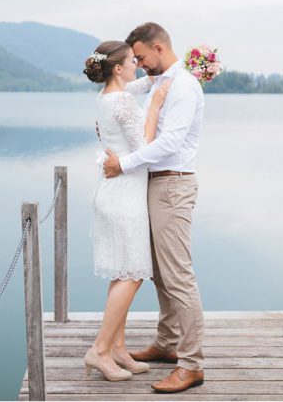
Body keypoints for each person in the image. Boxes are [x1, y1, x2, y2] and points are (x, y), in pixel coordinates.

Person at [103, 22, 206, 393]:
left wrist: (123, 164)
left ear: (159, 48)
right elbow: (121, 87)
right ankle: (167, 344)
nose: (140, 64)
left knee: (178, 275)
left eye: (142, 57)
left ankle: (191, 364)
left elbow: (168, 142)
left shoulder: (183, 87)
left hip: (173, 184)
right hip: (156, 184)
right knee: (161, 273)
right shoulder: (162, 81)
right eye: (135, 60)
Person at [82, 40, 171, 382]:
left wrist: (160, 77)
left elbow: (136, 84)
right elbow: (145, 147)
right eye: (133, 61)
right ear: (118, 68)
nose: (137, 64)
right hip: (124, 197)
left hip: (112, 193)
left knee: (123, 271)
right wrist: (156, 106)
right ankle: (101, 350)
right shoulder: (121, 102)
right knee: (133, 273)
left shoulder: (106, 96)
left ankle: (117, 348)